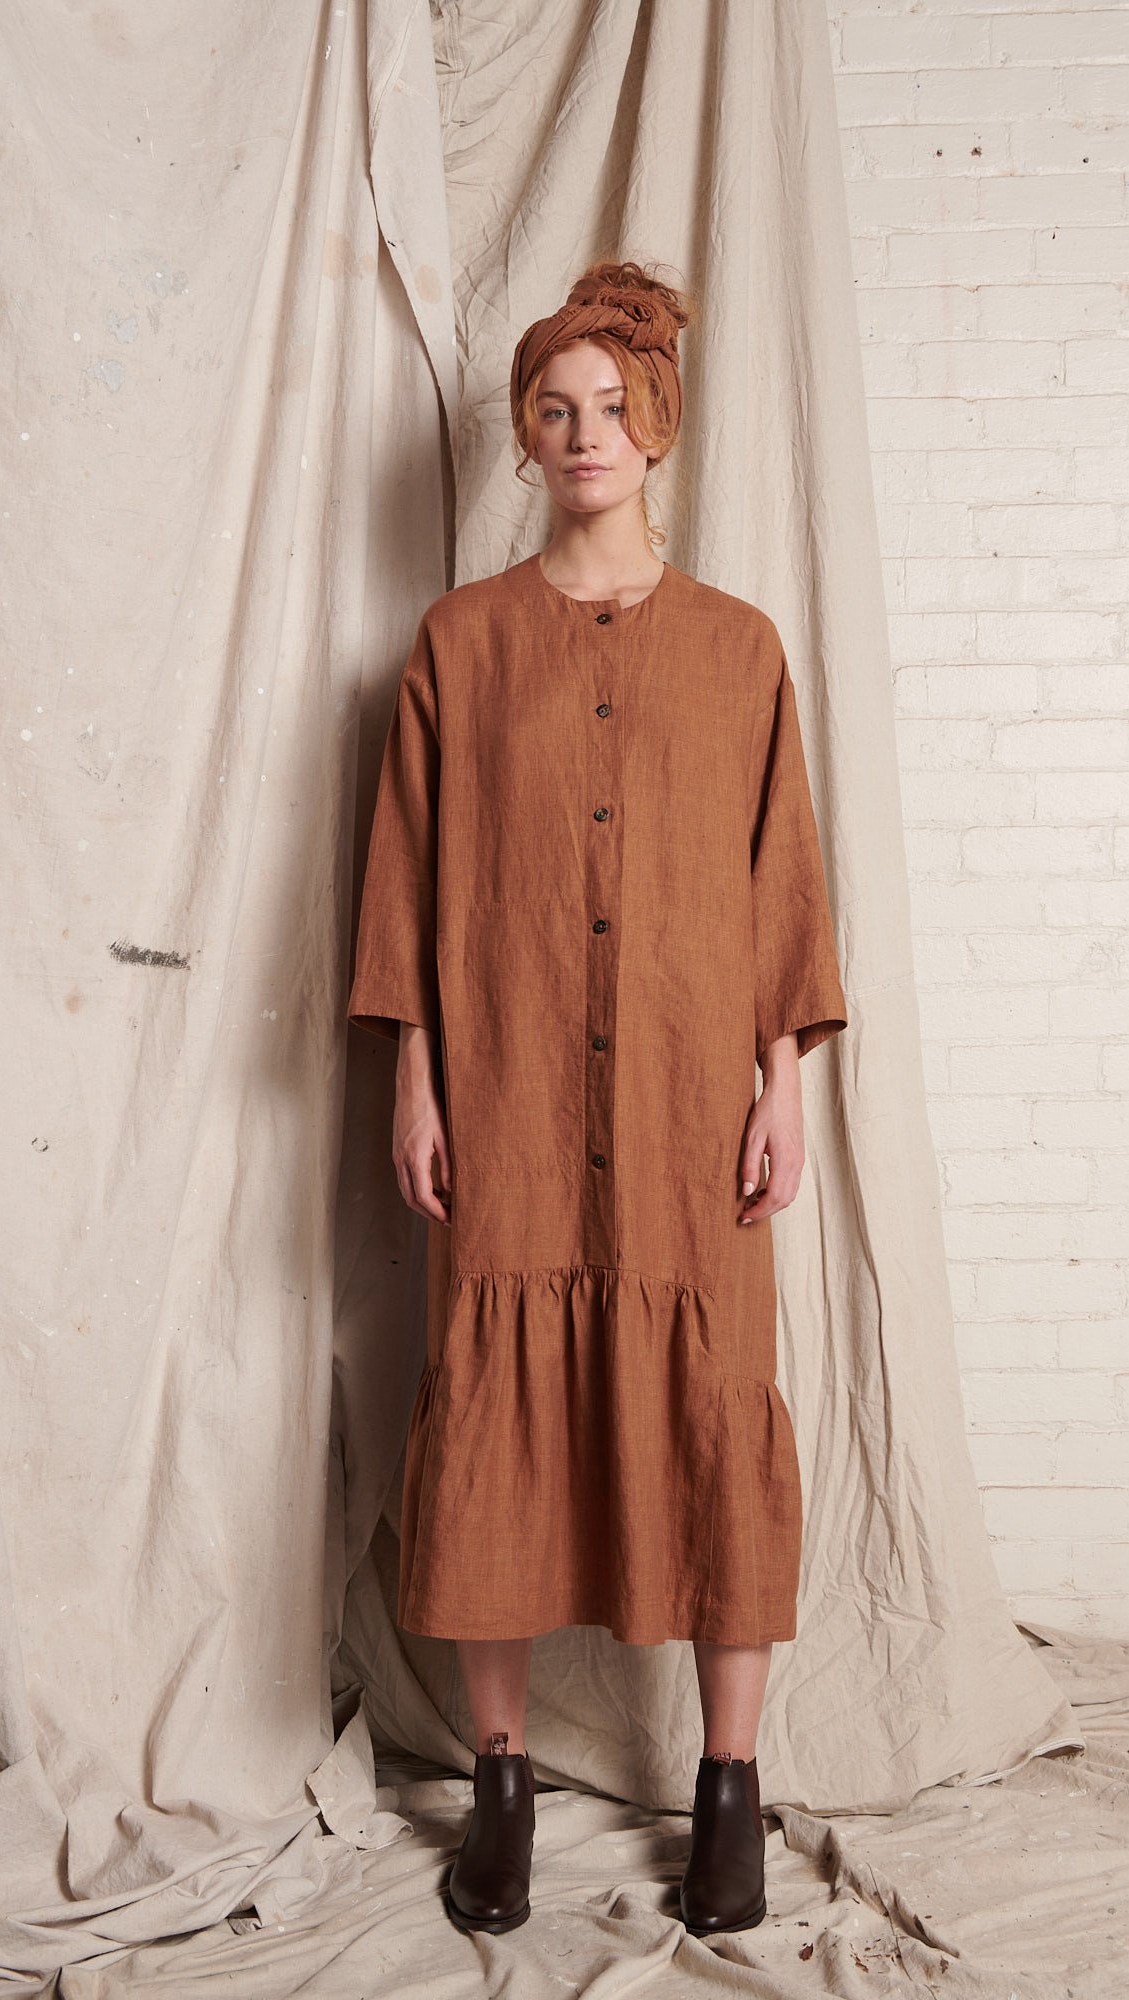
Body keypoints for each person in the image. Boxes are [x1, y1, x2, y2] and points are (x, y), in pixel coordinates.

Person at [347, 259, 848, 1939]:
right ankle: (498, 1782)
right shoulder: (458, 644)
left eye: (612, 409)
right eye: (554, 410)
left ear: (658, 430)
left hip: (696, 1111)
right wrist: (416, 1081)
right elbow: (409, 882)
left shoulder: (739, 649)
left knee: (717, 1420)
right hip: (503, 1101)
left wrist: (779, 1088)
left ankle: (729, 1787)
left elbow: (780, 891)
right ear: (522, 434)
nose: (584, 435)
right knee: (488, 1422)